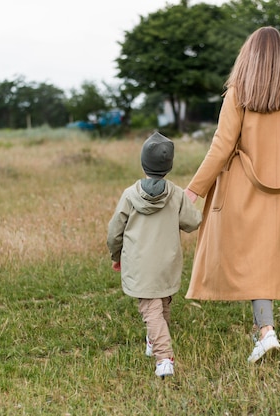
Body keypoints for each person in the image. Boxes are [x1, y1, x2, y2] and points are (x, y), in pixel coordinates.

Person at [184, 26, 280, 363]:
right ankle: (263, 330)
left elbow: (221, 147)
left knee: (251, 260)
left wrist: (194, 190)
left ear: (248, 57)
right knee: (265, 260)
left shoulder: (237, 94)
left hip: (243, 191)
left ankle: (265, 332)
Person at [107, 131, 202, 379]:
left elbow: (114, 232)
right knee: (162, 304)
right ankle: (154, 340)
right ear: (168, 166)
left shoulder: (130, 195)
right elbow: (193, 222)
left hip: (140, 266)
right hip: (167, 263)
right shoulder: (176, 194)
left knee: (151, 310)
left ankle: (164, 358)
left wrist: (115, 255)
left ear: (143, 163)